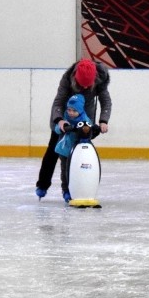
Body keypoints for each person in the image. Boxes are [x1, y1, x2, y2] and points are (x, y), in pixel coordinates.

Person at [35, 59, 111, 201]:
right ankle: (43, 185)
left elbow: (105, 101)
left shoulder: (100, 79)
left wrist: (103, 120)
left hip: (84, 119)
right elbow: (58, 101)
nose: (84, 87)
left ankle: (75, 188)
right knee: (53, 150)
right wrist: (59, 120)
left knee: (79, 154)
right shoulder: (67, 78)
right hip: (64, 116)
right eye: (81, 85)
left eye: (87, 85)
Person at [52, 94, 92, 203]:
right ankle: (66, 191)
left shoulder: (84, 119)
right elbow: (57, 129)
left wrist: (88, 129)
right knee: (65, 171)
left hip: (78, 152)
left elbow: (89, 128)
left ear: (80, 110)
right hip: (64, 150)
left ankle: (78, 189)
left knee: (76, 171)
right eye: (69, 109)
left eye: (74, 111)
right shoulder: (65, 117)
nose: (70, 113)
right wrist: (63, 127)